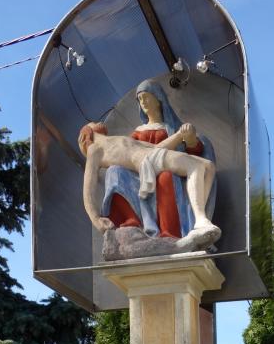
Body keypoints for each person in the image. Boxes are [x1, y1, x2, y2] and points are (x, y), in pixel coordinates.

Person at [94, 80, 218, 243]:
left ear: (158, 99)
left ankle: (170, 232)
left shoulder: (173, 127)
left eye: (146, 97)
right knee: (114, 171)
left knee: (166, 176)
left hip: (168, 172)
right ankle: (131, 221)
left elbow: (193, 152)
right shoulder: (137, 133)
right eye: (140, 99)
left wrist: (190, 139)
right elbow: (129, 154)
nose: (143, 102)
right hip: (140, 174)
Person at [78, 120, 220, 251]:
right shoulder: (94, 149)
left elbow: (156, 147)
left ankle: (198, 220)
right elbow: (88, 187)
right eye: (93, 123)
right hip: (147, 161)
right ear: (86, 133)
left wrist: (179, 135)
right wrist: (95, 219)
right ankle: (200, 220)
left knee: (209, 166)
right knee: (195, 167)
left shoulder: (116, 139)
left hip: (154, 154)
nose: (97, 122)